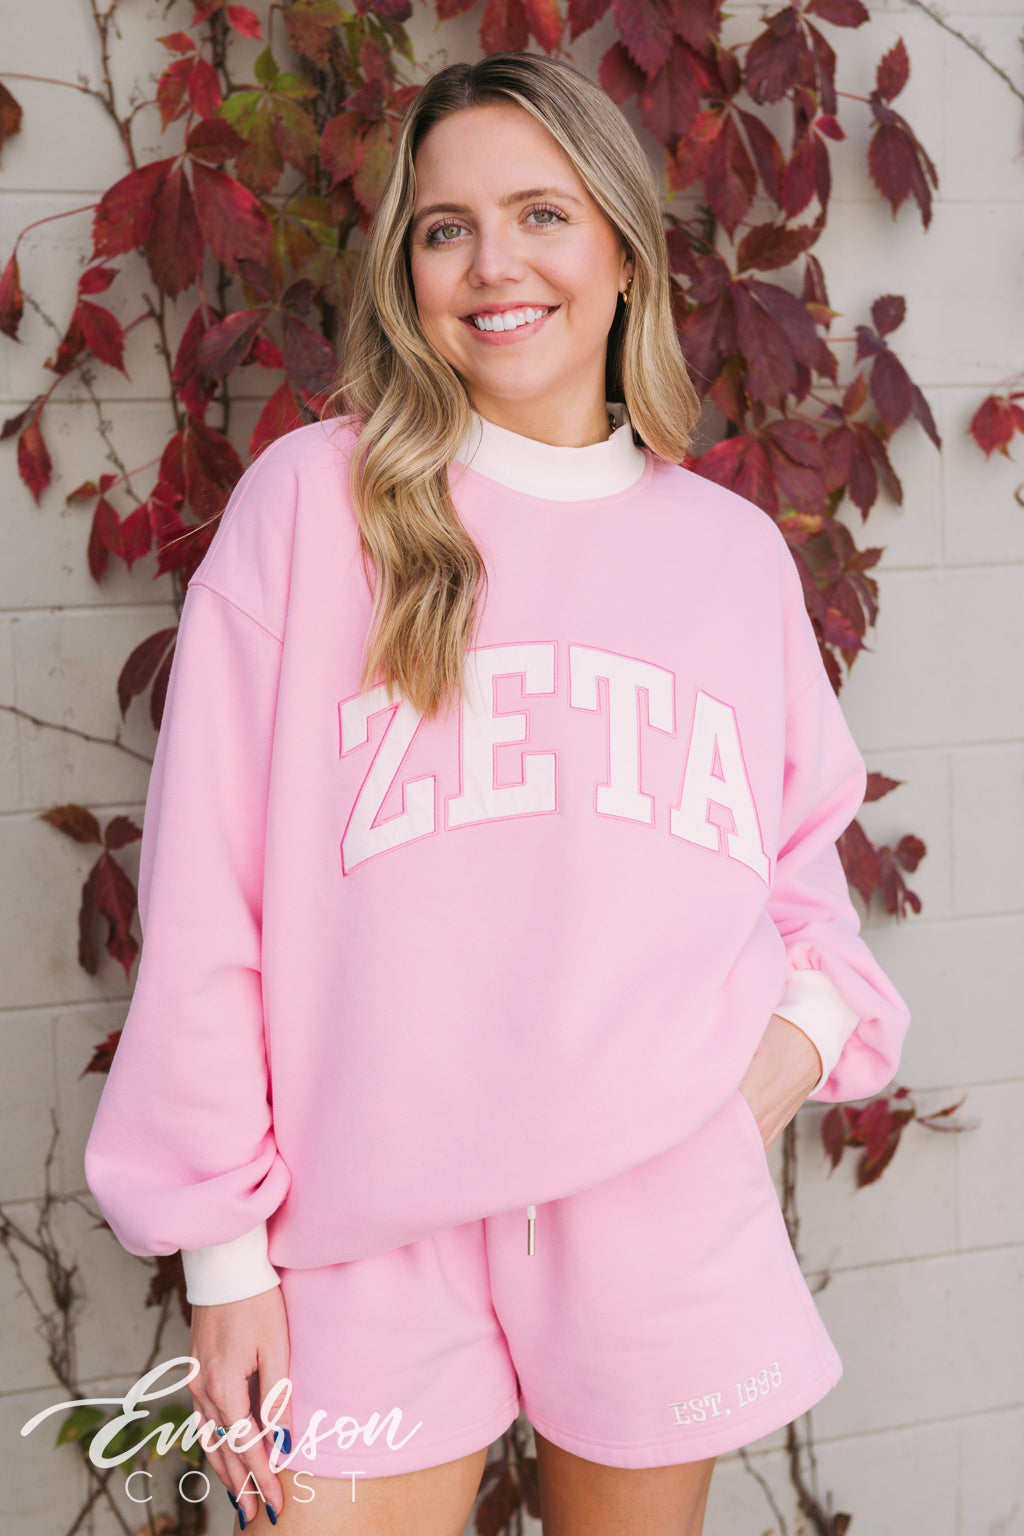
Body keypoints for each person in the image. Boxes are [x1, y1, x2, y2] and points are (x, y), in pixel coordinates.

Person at [84, 51, 910, 1536]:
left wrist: (768, 1076)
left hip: (656, 1211)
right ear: (406, 272)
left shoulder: (727, 555)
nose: (493, 264)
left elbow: (800, 878)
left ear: (622, 249)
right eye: (445, 227)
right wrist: (224, 1257)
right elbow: (209, 898)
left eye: (541, 213)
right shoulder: (314, 507)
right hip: (362, 1230)